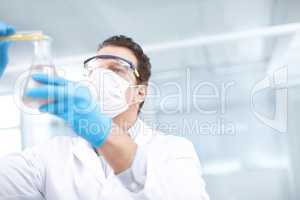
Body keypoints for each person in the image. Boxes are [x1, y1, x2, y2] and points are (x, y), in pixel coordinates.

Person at [0, 22, 210, 199]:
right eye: (94, 71)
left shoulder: (173, 150)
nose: (99, 79)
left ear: (140, 93)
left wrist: (106, 134)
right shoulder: (50, 156)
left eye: (116, 69)